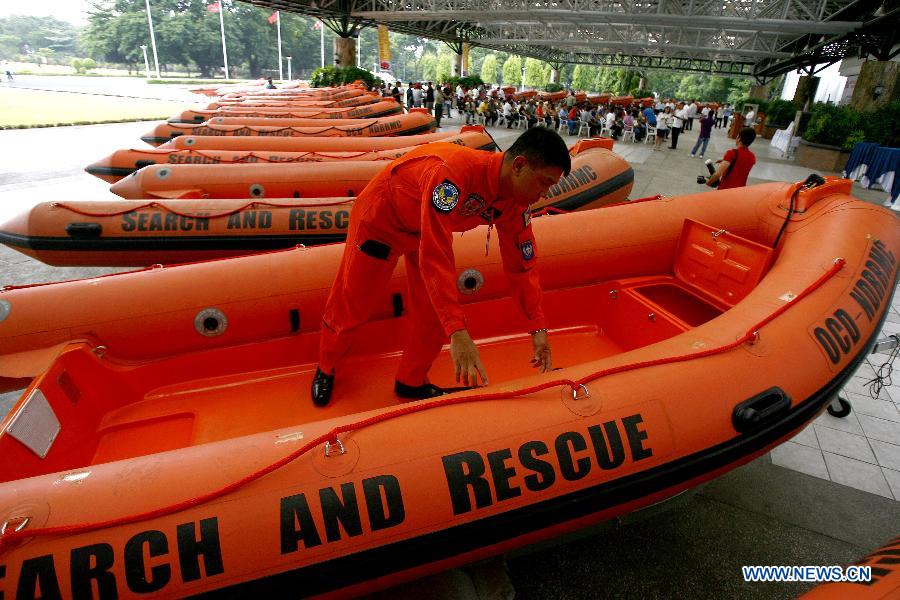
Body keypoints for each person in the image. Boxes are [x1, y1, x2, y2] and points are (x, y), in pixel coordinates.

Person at [309, 127, 571, 406]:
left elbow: (522, 265)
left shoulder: (514, 204)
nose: (544, 194)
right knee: (354, 301)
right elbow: (435, 254)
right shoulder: (453, 176)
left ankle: (410, 381)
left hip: (423, 230)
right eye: (543, 183)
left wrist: (537, 328)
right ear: (519, 165)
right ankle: (326, 367)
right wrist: (458, 333)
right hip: (382, 222)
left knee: (434, 311)